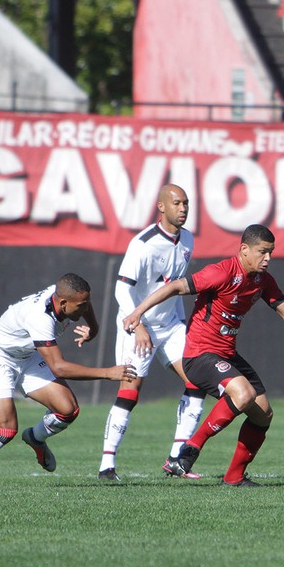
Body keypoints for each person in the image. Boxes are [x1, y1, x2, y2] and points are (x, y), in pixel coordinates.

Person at [122, 224, 284, 486]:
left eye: (271, 252)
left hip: (226, 354)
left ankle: (234, 477)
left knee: (263, 414)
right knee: (243, 394)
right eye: (262, 252)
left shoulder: (262, 280)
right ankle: (186, 453)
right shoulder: (221, 272)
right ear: (244, 249)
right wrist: (137, 313)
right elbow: (175, 287)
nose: (268, 258)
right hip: (200, 355)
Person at [0, 274, 136, 489]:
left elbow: (84, 302)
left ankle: (35, 438)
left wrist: (93, 329)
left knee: (67, 410)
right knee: (5, 429)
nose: (85, 308)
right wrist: (108, 373)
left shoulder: (66, 297)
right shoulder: (40, 317)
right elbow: (59, 367)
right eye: (81, 306)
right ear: (63, 303)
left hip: (27, 355)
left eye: (86, 303)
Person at [98, 184, 202, 482]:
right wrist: (138, 324)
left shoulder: (188, 239)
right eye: (177, 203)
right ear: (161, 207)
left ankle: (176, 459)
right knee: (130, 392)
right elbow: (122, 289)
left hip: (170, 327)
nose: (183, 208)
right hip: (137, 328)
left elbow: (175, 286)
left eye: (186, 203)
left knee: (197, 381)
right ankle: (106, 465)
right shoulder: (143, 244)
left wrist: (181, 322)